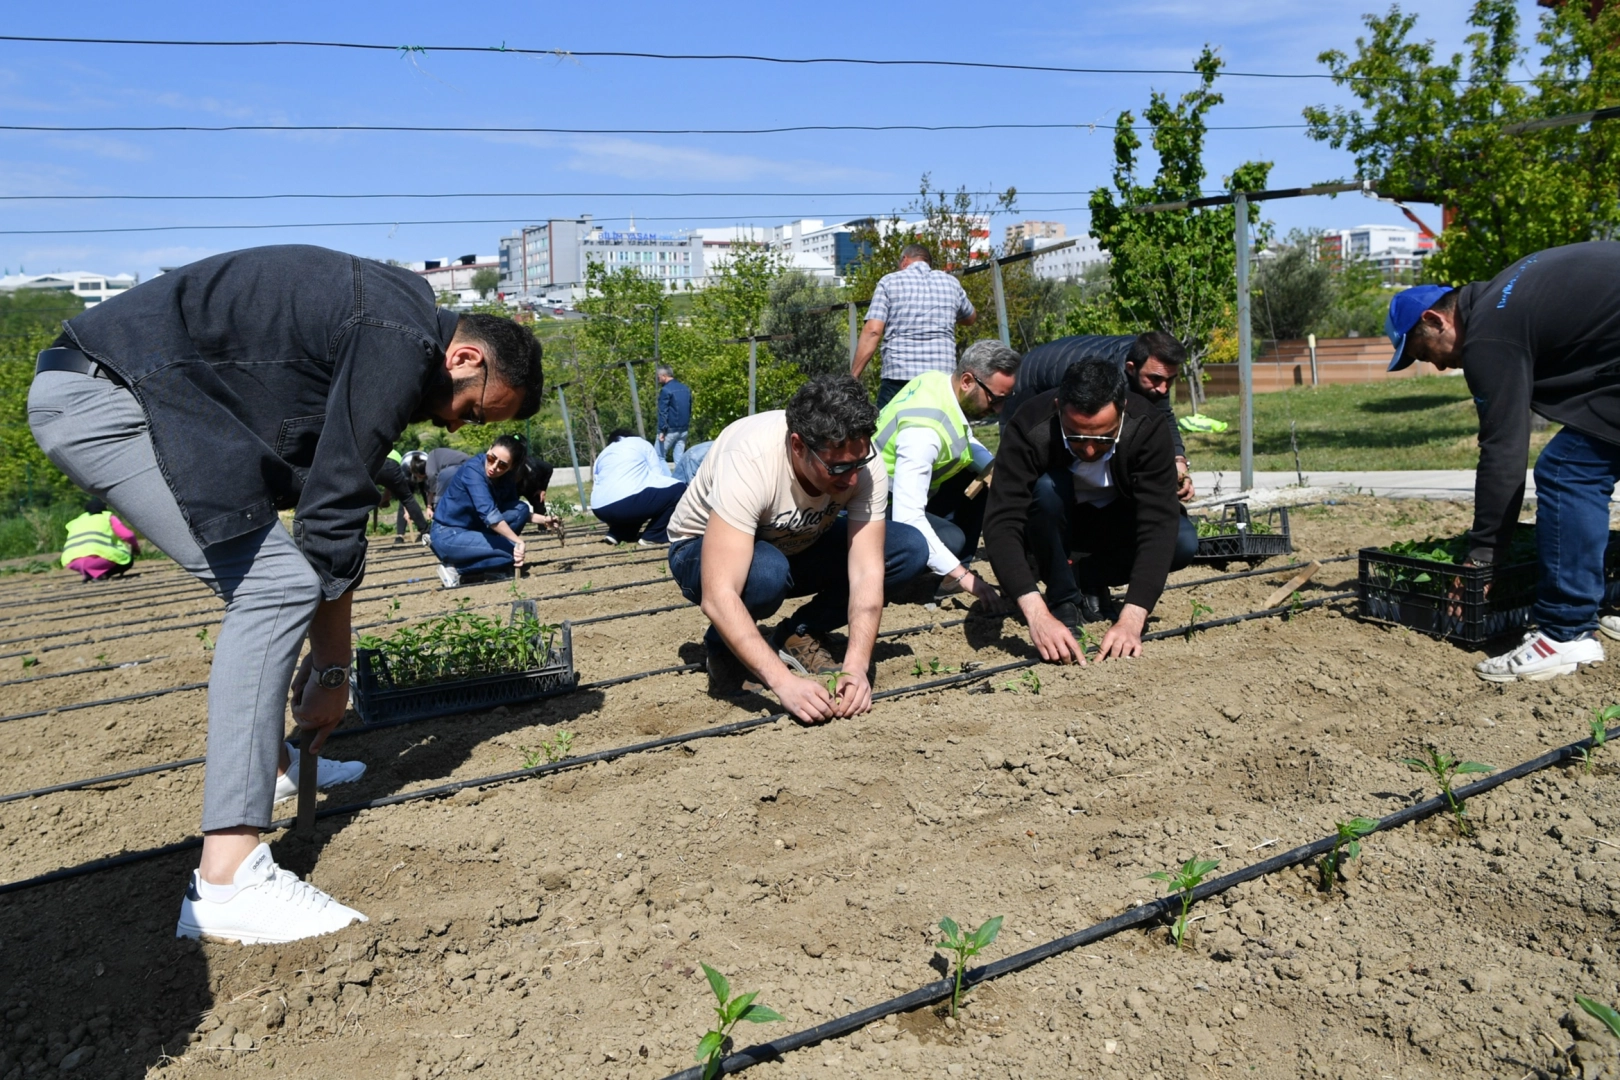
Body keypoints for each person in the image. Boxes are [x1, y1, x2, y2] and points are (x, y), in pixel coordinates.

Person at [28, 244, 542, 945]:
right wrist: (332, 670)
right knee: (272, 588)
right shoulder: (402, 333)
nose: (457, 428)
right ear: (465, 360)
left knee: (272, 572)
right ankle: (229, 877)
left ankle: (269, 770)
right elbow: (332, 505)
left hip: (144, 395)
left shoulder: (384, 321)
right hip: (111, 396)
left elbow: (328, 486)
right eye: (475, 412)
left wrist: (332, 658)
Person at [1386, 241, 1620, 682]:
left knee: (1567, 470)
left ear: (1434, 320)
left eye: (1422, 353)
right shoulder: (1502, 295)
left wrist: (1482, 556)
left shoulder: (1490, 334)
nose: (1436, 367)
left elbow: (1503, 449)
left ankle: (1565, 634)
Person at [665, 374, 929, 723]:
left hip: (798, 539)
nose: (851, 479)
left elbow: (866, 569)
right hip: (700, 550)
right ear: (798, 445)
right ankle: (723, 650)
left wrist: (856, 665)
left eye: (858, 463)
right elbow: (719, 593)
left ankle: (798, 632)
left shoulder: (861, 459)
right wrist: (784, 683)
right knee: (765, 574)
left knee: (907, 549)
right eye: (837, 467)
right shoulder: (751, 457)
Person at [983, 358, 1185, 663]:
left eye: (1103, 438)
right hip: (1055, 524)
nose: (1090, 450)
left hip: (1118, 522)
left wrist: (1132, 619)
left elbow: (1158, 523)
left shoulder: (1146, 426)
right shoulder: (1029, 425)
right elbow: (1001, 522)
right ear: (1058, 407)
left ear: (1123, 409)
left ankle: (1087, 577)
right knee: (1047, 490)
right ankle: (1062, 595)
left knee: (1182, 543)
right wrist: (1037, 615)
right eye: (1077, 437)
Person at [875, 339, 1020, 609]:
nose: (999, 409)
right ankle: (899, 579)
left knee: (979, 480)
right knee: (951, 540)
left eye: (1005, 400)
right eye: (995, 399)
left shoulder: (936, 383)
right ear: (967, 380)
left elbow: (961, 436)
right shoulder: (922, 434)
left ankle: (944, 577)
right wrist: (964, 576)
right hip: (875, 508)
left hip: (902, 492)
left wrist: (991, 467)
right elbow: (909, 517)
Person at [1003, 331, 1197, 502]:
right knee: (1040, 473)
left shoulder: (1153, 367)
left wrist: (1178, 462)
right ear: (1131, 368)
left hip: (1062, 366)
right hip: (1028, 381)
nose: (1163, 388)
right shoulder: (1110, 376)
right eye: (1156, 379)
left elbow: (1163, 414)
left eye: (1170, 380)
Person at [850, 243, 978, 410]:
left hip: (899, 379)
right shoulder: (951, 283)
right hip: (941, 380)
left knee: (888, 434)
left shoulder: (889, 282)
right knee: (939, 433)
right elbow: (971, 317)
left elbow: (873, 331)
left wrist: (853, 377)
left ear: (904, 260)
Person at [429, 435, 533, 588]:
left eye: (502, 465)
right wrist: (517, 542)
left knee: (520, 509)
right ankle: (455, 569)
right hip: (448, 534)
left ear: (512, 467)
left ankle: (493, 562)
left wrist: (545, 520)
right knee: (511, 551)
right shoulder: (473, 470)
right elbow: (490, 515)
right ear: (489, 449)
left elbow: (507, 508)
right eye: (491, 458)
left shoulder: (506, 477)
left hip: (473, 528)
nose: (493, 467)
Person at [589, 430, 686, 547]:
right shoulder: (641, 443)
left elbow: (597, 484)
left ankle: (618, 533)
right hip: (629, 502)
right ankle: (653, 536)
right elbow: (658, 475)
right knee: (678, 489)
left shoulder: (603, 454)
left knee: (639, 496)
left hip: (599, 508)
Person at [61, 495, 139, 581]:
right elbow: (128, 535)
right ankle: (102, 574)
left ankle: (89, 573)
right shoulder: (107, 517)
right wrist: (135, 547)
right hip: (98, 558)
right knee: (127, 560)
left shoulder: (76, 521)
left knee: (88, 562)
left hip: (72, 560)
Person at [377, 449, 430, 544]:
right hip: (407, 472)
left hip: (422, 470)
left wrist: (429, 506)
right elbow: (405, 498)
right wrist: (406, 512)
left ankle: (427, 532)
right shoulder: (405, 468)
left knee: (427, 497)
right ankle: (400, 535)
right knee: (405, 501)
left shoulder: (428, 468)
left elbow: (430, 492)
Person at [655, 364, 692, 469]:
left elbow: (663, 412)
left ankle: (669, 481)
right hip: (683, 429)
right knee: (679, 458)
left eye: (658, 376)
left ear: (664, 376)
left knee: (658, 456)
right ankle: (683, 482)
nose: (658, 379)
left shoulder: (666, 390)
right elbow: (689, 408)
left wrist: (662, 430)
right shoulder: (685, 389)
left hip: (669, 430)